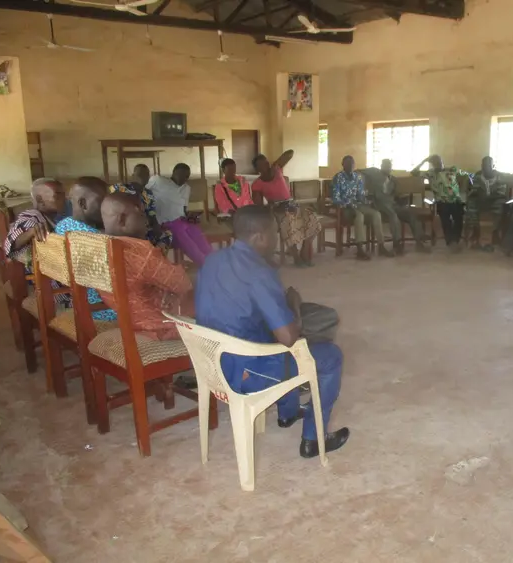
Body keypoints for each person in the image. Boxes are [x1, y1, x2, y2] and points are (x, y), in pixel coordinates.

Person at [195, 205, 349, 458]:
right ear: (260, 237)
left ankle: (288, 413)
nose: (278, 238)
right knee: (329, 355)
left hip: (210, 362)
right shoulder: (258, 272)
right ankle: (314, 439)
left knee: (276, 338)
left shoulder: (212, 260)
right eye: (275, 232)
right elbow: (288, 338)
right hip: (245, 373)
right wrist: (294, 305)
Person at [99, 192, 192, 341]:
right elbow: (183, 283)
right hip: (160, 329)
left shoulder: (100, 246)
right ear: (122, 219)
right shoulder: (138, 252)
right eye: (141, 215)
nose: (146, 221)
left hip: (127, 323)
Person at [54, 176, 116, 321]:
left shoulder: (63, 226)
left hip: (80, 302)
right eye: (103, 203)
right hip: (104, 309)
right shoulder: (97, 240)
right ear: (83, 203)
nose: (109, 209)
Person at [3, 177, 68, 305]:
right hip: (50, 286)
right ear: (39, 200)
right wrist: (31, 232)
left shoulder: (53, 218)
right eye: (58, 195)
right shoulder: (31, 218)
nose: (64, 200)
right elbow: (9, 246)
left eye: (64, 195)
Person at [251, 151, 321, 267]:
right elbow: (258, 205)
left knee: (312, 219)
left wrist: (277, 163)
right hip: (277, 208)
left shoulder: (277, 170)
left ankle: (304, 249)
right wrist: (271, 206)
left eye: (266, 162)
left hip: (291, 204)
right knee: (287, 224)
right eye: (262, 165)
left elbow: (290, 153)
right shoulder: (257, 184)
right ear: (257, 169)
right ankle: (296, 257)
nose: (266, 166)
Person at [359, 159, 431, 254]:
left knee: (410, 214)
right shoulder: (374, 172)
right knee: (393, 215)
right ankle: (397, 243)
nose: (387, 168)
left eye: (389, 166)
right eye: (385, 165)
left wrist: (401, 199)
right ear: (381, 166)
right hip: (379, 203)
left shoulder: (393, 180)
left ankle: (419, 241)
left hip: (392, 203)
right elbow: (359, 171)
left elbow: (397, 195)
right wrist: (364, 183)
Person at [147, 163, 213, 267]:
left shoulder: (186, 188)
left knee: (197, 233)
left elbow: (183, 210)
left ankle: (215, 260)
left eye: (187, 176)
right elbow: (142, 193)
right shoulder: (158, 181)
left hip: (181, 221)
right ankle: (205, 264)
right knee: (187, 241)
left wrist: (190, 216)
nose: (184, 179)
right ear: (174, 172)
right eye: (182, 175)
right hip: (164, 224)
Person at [332, 155, 393, 260]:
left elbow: (360, 195)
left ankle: (381, 246)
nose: (350, 165)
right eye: (347, 163)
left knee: (376, 214)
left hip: (358, 205)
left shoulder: (357, 177)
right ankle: (360, 249)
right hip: (345, 208)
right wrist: (348, 203)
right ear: (343, 165)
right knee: (359, 216)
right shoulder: (338, 177)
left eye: (352, 163)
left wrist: (368, 201)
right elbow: (335, 198)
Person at [411, 155, 469, 251]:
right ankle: (451, 242)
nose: (439, 164)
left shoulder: (451, 170)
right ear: (432, 164)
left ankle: (455, 240)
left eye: (440, 162)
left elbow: (467, 175)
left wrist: (463, 188)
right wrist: (424, 161)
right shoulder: (430, 173)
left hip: (455, 200)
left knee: (459, 217)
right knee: (446, 219)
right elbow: (414, 172)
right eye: (436, 163)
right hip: (442, 201)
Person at [109, 164, 171, 250]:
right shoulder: (118, 188)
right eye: (140, 175)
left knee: (167, 235)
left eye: (146, 175)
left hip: (143, 229)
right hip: (123, 227)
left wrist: (156, 227)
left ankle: (152, 255)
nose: (143, 177)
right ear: (133, 176)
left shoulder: (148, 194)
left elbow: (151, 214)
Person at [464, 156, 510, 251]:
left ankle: (495, 232)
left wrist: (488, 197)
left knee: (501, 206)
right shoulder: (477, 176)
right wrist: (477, 195)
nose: (486, 168)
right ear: (481, 166)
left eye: (489, 165)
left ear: (493, 166)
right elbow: (474, 191)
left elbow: (501, 194)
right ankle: (476, 231)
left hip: (495, 200)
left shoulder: (500, 177)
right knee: (471, 205)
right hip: (481, 201)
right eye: (484, 165)